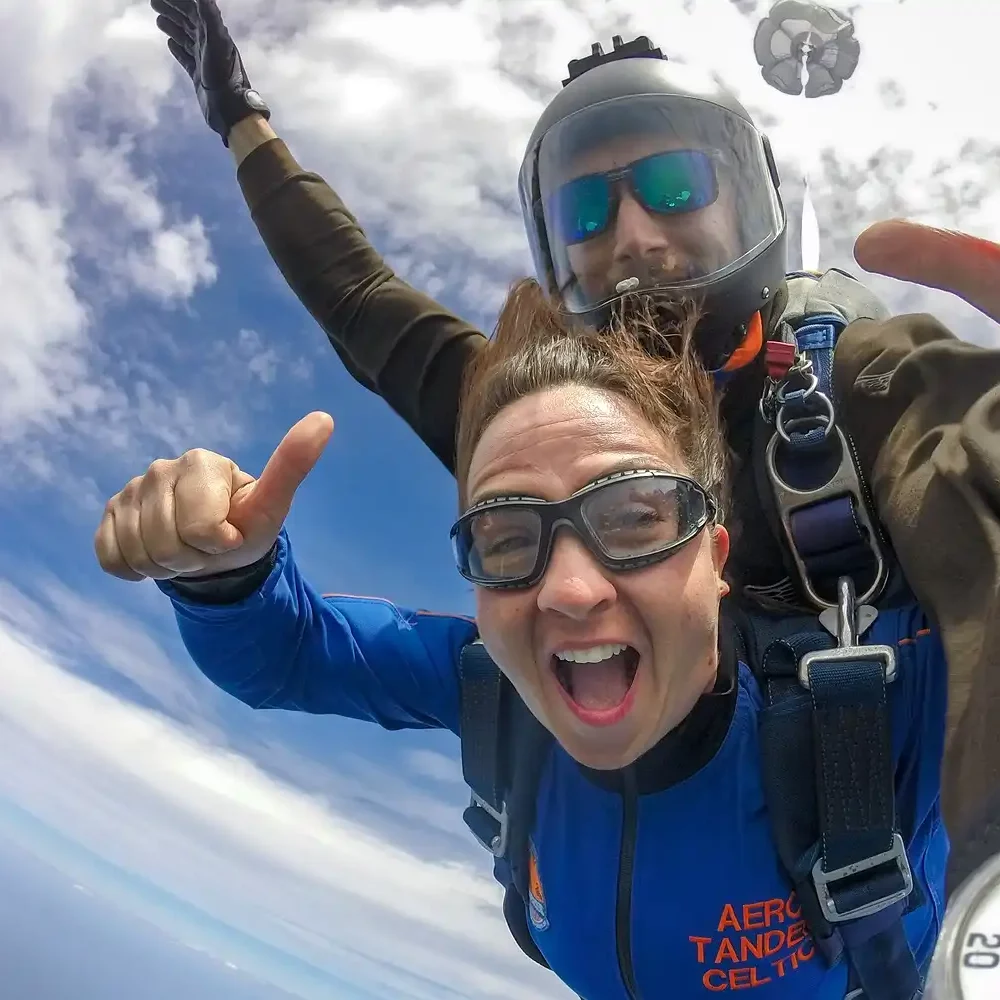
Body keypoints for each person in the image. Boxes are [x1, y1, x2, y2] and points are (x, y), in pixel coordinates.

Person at [149, 0, 1000, 870]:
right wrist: (238, 118)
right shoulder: (543, 435)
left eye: (676, 186)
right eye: (585, 212)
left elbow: (976, 483)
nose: (632, 235)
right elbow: (359, 299)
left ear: (750, 197)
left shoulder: (863, 386)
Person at [97, 282, 949, 999]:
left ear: (715, 557)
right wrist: (225, 575)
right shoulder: (493, 694)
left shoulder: (879, 708)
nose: (572, 591)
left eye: (633, 519)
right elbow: (284, 651)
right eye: (508, 540)